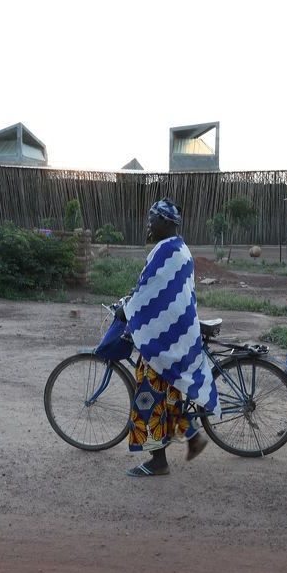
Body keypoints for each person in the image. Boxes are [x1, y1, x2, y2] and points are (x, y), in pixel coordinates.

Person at [122, 198, 221, 477]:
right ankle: (191, 436)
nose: (149, 224)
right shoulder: (180, 248)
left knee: (149, 395)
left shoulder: (164, 251)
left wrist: (129, 309)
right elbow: (155, 290)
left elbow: (148, 293)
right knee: (170, 393)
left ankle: (158, 461)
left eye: (153, 219)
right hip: (179, 333)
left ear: (166, 222)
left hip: (164, 339)